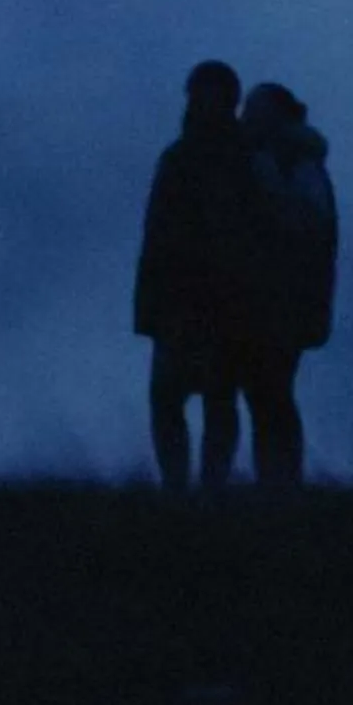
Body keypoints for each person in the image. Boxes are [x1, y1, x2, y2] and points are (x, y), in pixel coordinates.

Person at [133, 59, 258, 491]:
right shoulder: (183, 156)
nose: (199, 102)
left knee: (215, 396)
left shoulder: (240, 158)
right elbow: (156, 233)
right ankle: (181, 488)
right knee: (173, 396)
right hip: (181, 298)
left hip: (221, 297)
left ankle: (207, 488)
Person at [229, 80, 340, 487]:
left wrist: (269, 184)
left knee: (270, 393)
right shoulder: (288, 159)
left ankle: (280, 481)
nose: (245, 117)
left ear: (276, 115)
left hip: (284, 298)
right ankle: (277, 482)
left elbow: (307, 224)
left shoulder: (296, 164)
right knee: (266, 393)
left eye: (254, 109)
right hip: (270, 296)